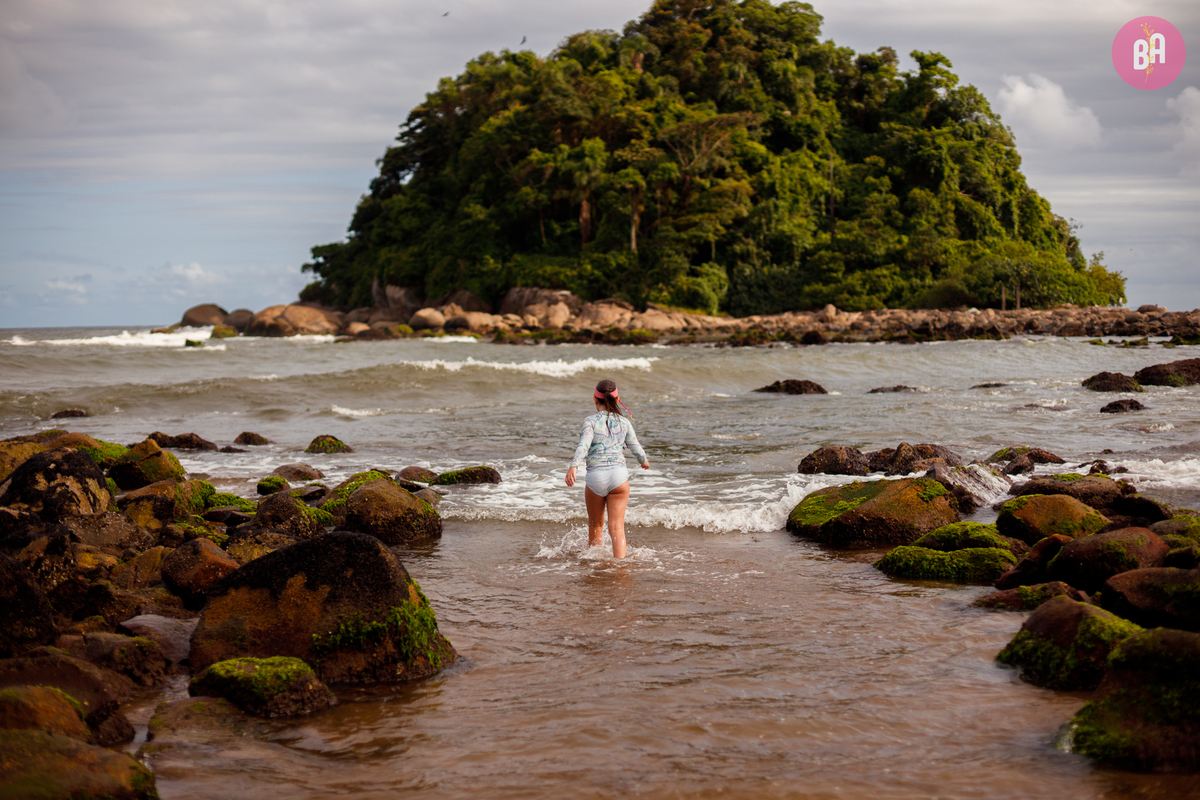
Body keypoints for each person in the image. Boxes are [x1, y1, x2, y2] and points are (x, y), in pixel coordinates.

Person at [564, 379, 649, 558]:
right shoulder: (625, 423)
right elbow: (636, 447)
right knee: (617, 528)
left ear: (595, 399)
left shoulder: (590, 421)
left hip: (596, 478)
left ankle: (596, 566)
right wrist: (644, 461)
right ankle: (619, 567)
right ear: (618, 400)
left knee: (595, 526)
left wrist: (574, 466)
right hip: (618, 477)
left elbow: (584, 445)